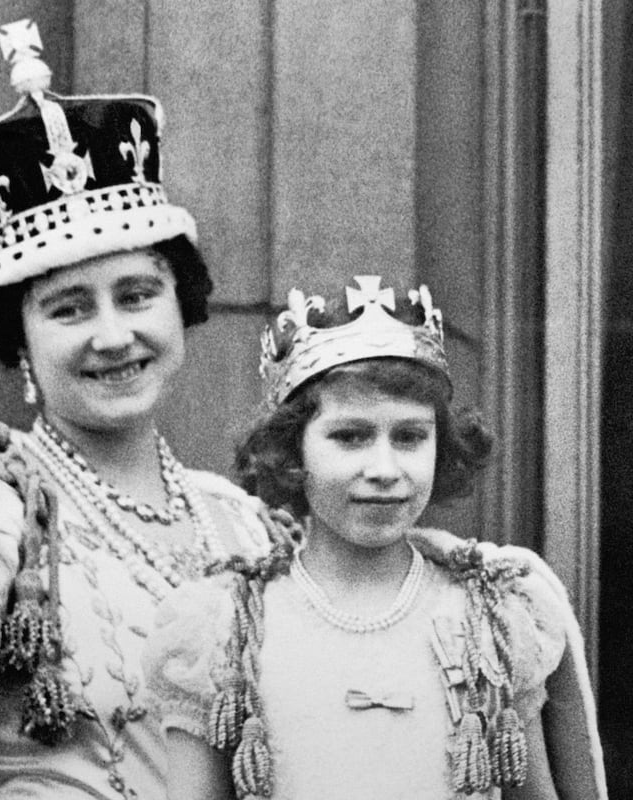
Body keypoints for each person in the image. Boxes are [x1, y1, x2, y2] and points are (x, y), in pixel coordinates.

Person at [0, 19, 272, 799]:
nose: (114, 335)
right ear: (20, 345)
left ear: (181, 307)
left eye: (138, 295)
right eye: (69, 310)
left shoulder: (235, 519)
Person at [143, 276, 608, 799]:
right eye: (350, 436)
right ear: (292, 451)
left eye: (409, 437)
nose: (384, 468)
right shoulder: (226, 628)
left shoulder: (492, 616)